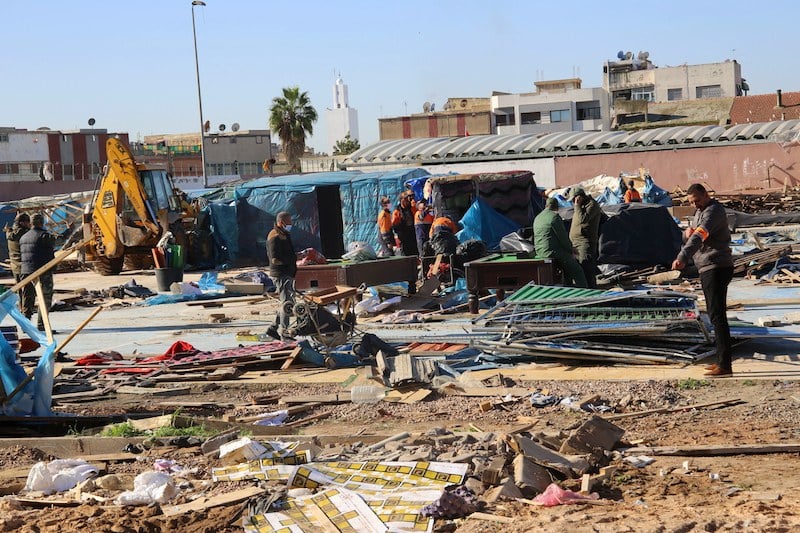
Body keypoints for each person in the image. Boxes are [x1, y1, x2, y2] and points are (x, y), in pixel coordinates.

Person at [671, 183, 734, 376]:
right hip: (707, 266)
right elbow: (691, 233)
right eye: (691, 202)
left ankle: (724, 364)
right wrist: (685, 234)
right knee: (715, 315)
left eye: (697, 200)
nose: (695, 204)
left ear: (706, 195)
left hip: (716, 266)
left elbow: (699, 235)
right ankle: (720, 361)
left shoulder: (713, 211)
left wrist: (682, 257)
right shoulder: (701, 212)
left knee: (717, 316)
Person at [533, 198, 587, 287]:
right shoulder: (554, 217)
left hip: (539, 251)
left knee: (566, 269)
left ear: (546, 206)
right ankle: (585, 292)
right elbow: (563, 238)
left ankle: (568, 286)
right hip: (552, 251)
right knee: (577, 271)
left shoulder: (538, 217)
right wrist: (572, 250)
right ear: (557, 207)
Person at [19, 213, 55, 331]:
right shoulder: (44, 236)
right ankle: (41, 324)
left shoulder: (23, 237)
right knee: (45, 298)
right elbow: (57, 242)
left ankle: (26, 325)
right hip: (42, 271)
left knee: (28, 299)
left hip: (25, 271)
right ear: (41, 222)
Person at [266, 211, 297, 341]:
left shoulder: (284, 234)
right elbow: (275, 259)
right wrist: (291, 260)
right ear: (280, 222)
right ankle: (285, 334)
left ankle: (273, 328)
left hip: (288, 273)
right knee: (287, 303)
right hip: (280, 274)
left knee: (288, 302)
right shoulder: (274, 236)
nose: (290, 224)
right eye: (288, 222)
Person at [568, 187, 602, 289]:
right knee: (578, 270)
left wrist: (577, 206)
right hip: (575, 243)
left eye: (574, 199)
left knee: (586, 269)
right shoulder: (580, 206)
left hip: (585, 243)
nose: (573, 202)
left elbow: (583, 219)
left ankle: (591, 292)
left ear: (579, 197)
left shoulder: (592, 205)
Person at [5, 212, 31, 284]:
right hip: (25, 266)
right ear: (22, 223)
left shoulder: (9, 232)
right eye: (28, 222)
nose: (30, 224)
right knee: (28, 291)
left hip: (14, 265)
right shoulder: (24, 233)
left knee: (20, 289)